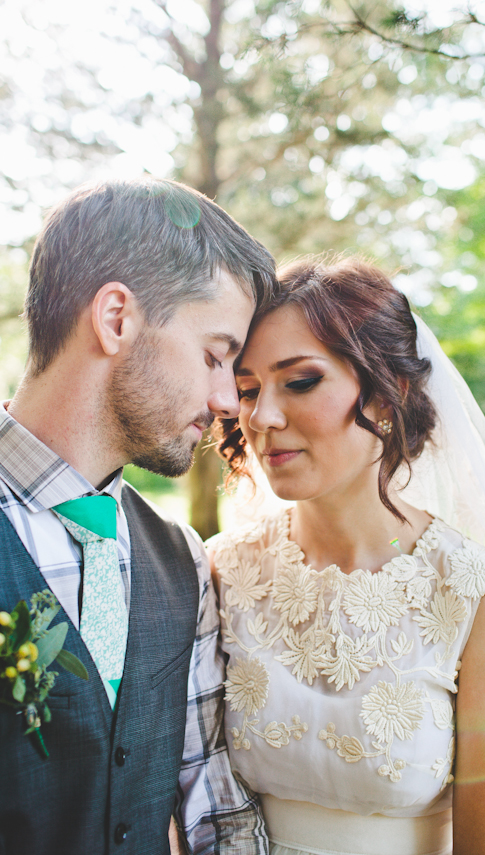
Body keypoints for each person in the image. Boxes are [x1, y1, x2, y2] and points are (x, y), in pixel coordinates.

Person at [208, 256, 485, 855]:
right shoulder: (221, 571)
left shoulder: (477, 598)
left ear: (387, 393)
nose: (262, 417)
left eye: (300, 381)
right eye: (247, 390)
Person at [0, 177, 277, 855]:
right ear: (116, 318)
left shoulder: (181, 558)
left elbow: (217, 811)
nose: (224, 400)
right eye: (214, 356)